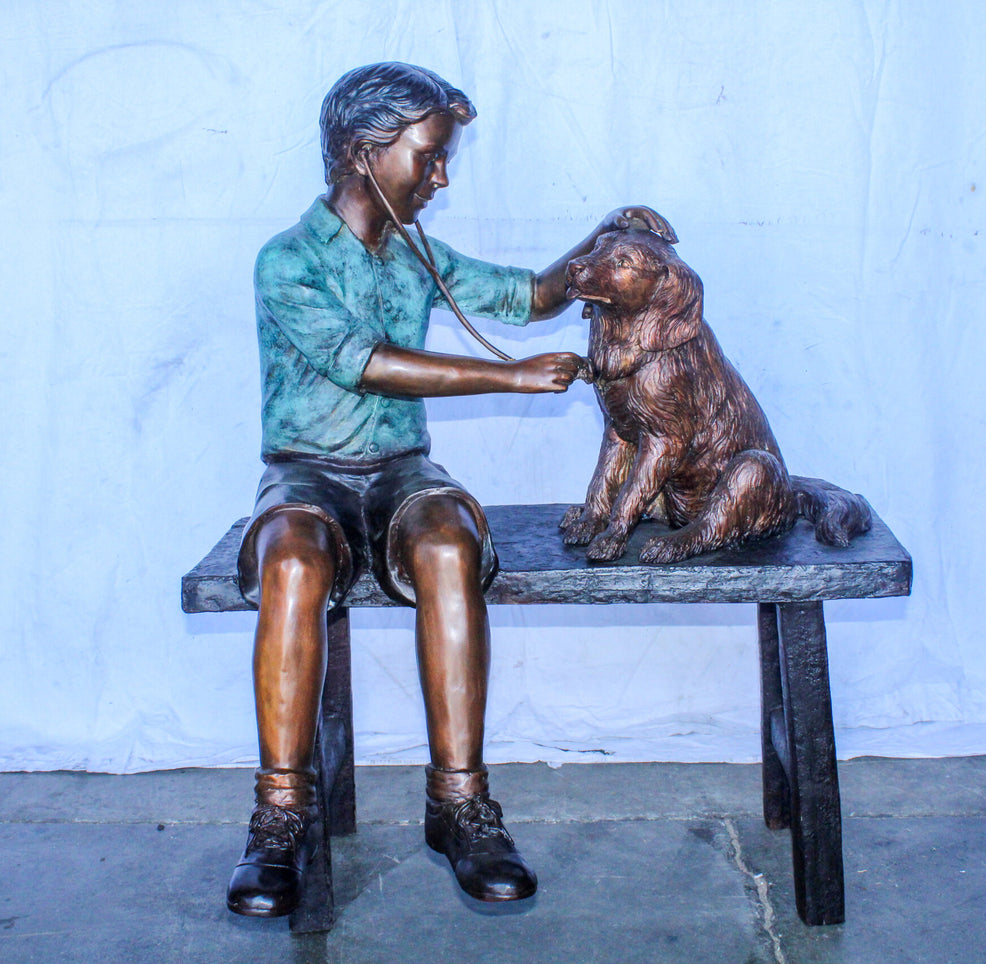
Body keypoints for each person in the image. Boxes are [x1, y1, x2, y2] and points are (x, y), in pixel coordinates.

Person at [227, 61, 672, 917]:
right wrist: (510, 378)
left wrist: (603, 235)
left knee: (448, 544)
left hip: (399, 471)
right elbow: (365, 364)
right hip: (307, 474)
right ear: (364, 152)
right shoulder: (286, 261)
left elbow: (530, 295)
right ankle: (280, 815)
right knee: (291, 560)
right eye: (427, 157)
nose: (439, 178)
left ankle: (459, 804)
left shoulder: (415, 254)